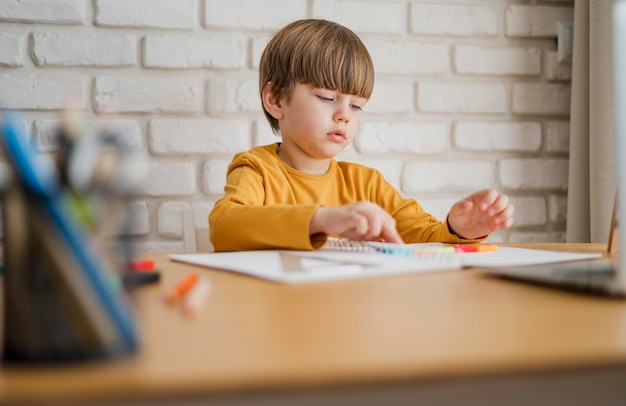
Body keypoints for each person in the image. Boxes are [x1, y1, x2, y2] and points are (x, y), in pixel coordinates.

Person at [209, 19, 514, 252]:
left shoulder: (366, 184)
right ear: (276, 99)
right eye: (327, 98)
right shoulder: (257, 169)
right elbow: (224, 227)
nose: (344, 114)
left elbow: (424, 236)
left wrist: (458, 229)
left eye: (356, 105)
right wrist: (320, 220)